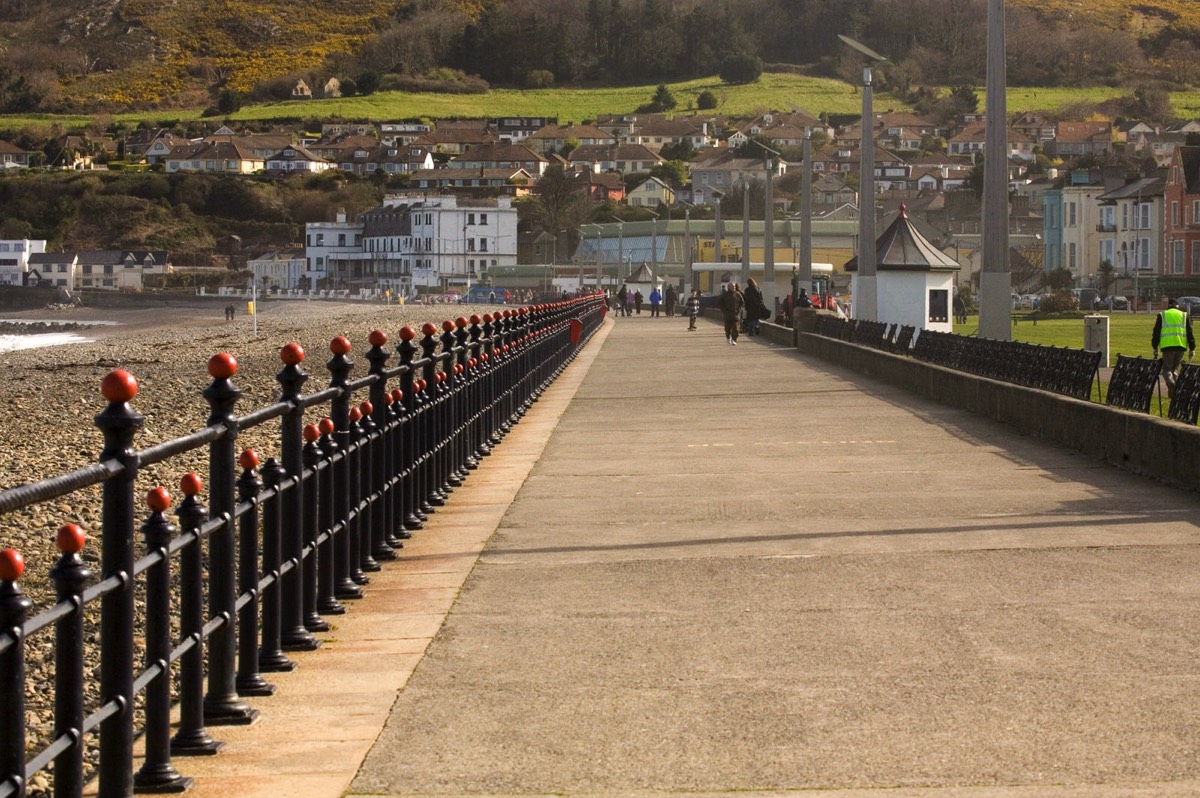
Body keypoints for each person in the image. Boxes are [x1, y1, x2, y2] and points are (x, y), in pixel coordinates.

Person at [1152, 297, 1196, 397]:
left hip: (1167, 346)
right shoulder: (1184, 316)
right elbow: (1189, 332)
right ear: (1178, 306)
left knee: (1167, 369)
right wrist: (1192, 348)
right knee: (1175, 368)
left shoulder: (1162, 315)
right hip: (1181, 345)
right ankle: (1175, 392)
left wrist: (1155, 347)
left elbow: (1156, 332)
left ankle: (1170, 382)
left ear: (1169, 306)